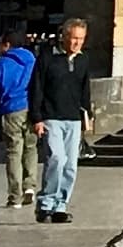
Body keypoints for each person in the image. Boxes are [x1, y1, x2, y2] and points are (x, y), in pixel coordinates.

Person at [29, 19, 95, 220]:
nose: (77, 43)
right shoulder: (47, 58)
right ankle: (46, 203)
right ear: (64, 37)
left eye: (81, 39)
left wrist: (87, 114)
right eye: (74, 38)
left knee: (70, 165)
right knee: (56, 158)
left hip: (73, 118)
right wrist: (37, 118)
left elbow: (85, 89)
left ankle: (61, 206)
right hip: (51, 116)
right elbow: (37, 88)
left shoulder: (83, 60)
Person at [0, 19, 40, 210]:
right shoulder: (34, 61)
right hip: (32, 109)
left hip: (11, 111)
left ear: (7, 45)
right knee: (31, 147)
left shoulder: (0, 66)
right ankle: (30, 185)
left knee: (14, 152)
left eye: (0, 44)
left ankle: (15, 195)